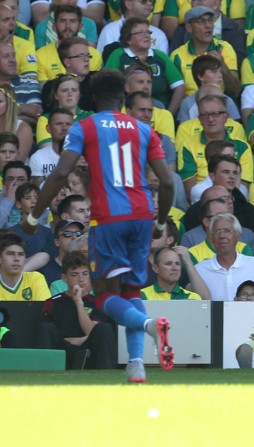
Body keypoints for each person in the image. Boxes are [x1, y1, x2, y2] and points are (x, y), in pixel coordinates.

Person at [22, 69, 175, 383]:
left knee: (105, 296)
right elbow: (168, 181)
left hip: (109, 216)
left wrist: (35, 215)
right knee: (131, 289)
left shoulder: (85, 126)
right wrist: (160, 222)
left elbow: (63, 172)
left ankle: (148, 326)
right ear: (123, 98)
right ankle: (136, 364)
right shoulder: (144, 129)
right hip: (142, 214)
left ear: (92, 99)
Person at [36, 251, 117, 369]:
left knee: (105, 328)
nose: (81, 279)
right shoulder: (53, 302)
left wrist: (79, 302)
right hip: (62, 351)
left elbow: (92, 332)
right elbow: (47, 335)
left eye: (85, 274)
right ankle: (46, 377)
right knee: (45, 328)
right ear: (64, 278)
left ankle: (106, 378)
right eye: (74, 275)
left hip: (90, 351)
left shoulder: (98, 302)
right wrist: (73, 341)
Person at [105, 18, 185, 115]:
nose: (146, 36)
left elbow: (179, 86)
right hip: (126, 111)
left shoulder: (160, 56)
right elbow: (108, 87)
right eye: (140, 33)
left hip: (158, 110)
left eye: (148, 32)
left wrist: (168, 114)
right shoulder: (118, 55)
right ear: (128, 39)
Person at [194, 213, 254, 301]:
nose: (222, 236)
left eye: (227, 230)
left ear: (238, 235)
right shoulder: (200, 270)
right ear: (211, 237)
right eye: (217, 231)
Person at [35, 5, 102, 83]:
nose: (68, 26)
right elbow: (44, 91)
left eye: (73, 21)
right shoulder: (40, 56)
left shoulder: (93, 55)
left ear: (80, 27)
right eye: (63, 21)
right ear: (54, 26)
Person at [141, 246, 205, 300]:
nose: (175, 268)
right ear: (155, 268)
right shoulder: (143, 296)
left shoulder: (192, 298)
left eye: (177, 264)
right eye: (168, 264)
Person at [0, 232, 50, 301]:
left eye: (21, 254)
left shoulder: (35, 278)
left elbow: (45, 309)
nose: (16, 258)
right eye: (10, 254)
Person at [30, 108, 73, 186]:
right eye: (59, 124)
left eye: (68, 124)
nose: (64, 128)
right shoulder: (38, 158)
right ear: (48, 128)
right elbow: (36, 191)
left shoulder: (83, 156)